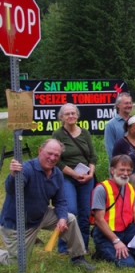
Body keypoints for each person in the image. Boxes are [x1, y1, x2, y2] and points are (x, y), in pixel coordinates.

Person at [0, 139, 95, 272]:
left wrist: (62, 218)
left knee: (70, 218)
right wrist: (12, 175)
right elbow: (11, 190)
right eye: (49, 153)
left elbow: (60, 201)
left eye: (56, 155)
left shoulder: (57, 174)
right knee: (16, 264)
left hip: (40, 216)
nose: (52, 158)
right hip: (18, 224)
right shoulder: (26, 169)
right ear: (40, 151)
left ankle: (78, 258)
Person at [91, 155, 135, 268]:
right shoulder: (101, 189)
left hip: (126, 230)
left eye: (128, 170)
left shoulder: (129, 188)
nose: (125, 173)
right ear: (112, 170)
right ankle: (104, 252)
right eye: (122, 170)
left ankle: (133, 253)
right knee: (128, 265)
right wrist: (116, 241)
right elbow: (99, 220)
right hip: (107, 234)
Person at [51, 103, 96, 254]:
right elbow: (57, 160)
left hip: (86, 178)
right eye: (67, 114)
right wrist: (75, 174)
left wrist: (90, 173)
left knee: (85, 213)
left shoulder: (85, 133)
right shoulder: (58, 134)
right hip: (66, 177)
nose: (70, 116)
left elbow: (92, 157)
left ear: (77, 115)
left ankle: (82, 246)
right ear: (61, 117)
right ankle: (64, 247)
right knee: (70, 210)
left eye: (73, 113)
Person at [105, 92, 135, 160]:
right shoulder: (110, 125)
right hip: (120, 167)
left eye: (130, 103)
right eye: (126, 103)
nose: (129, 105)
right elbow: (111, 151)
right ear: (118, 105)